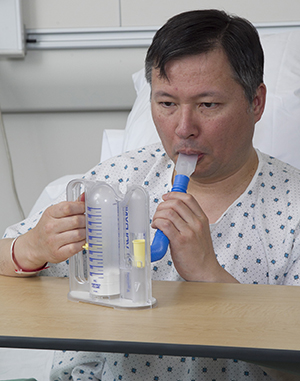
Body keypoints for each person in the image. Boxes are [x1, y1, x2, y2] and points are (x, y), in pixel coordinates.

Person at [1, 8, 300, 381]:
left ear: (256, 103)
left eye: (208, 105)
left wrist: (212, 278)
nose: (184, 128)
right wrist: (30, 248)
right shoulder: (116, 182)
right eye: (167, 104)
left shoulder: (292, 210)